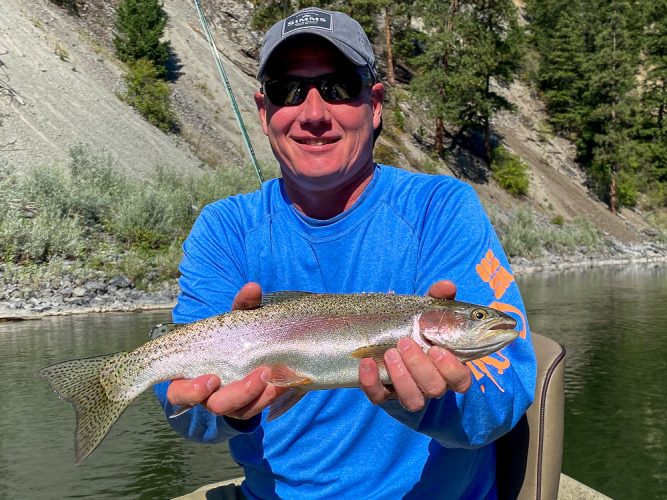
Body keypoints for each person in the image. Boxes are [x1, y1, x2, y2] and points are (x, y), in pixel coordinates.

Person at [155, 7, 536, 499]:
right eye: (287, 91)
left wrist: (425, 401)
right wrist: (223, 413)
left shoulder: (440, 209)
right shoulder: (225, 229)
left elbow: (503, 399)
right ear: (264, 111)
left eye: (338, 87)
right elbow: (183, 410)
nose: (313, 114)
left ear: (374, 105)